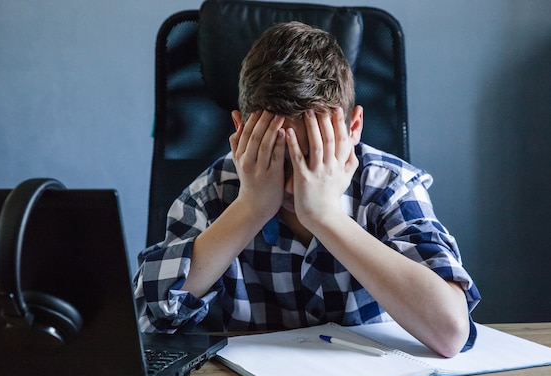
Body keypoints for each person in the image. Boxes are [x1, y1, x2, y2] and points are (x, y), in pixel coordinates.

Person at [134, 21, 480, 357]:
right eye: (277, 159)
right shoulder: (211, 194)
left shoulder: (388, 187)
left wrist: (326, 216)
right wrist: (251, 207)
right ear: (241, 132)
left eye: (314, 157)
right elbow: (151, 320)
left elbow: (450, 333)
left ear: (354, 128)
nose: (295, 183)